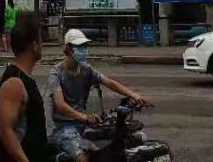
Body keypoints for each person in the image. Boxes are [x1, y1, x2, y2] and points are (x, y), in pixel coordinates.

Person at [48, 29, 152, 162]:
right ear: (68, 48)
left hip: (85, 125)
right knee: (82, 158)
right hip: (65, 127)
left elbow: (109, 82)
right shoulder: (56, 74)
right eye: (79, 46)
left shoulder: (86, 69)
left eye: (85, 46)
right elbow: (60, 105)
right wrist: (84, 117)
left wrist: (134, 95)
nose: (84, 50)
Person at [0, 12, 50, 162]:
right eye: (41, 41)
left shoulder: (25, 78)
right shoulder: (15, 83)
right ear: (34, 46)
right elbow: (6, 133)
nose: (43, 45)